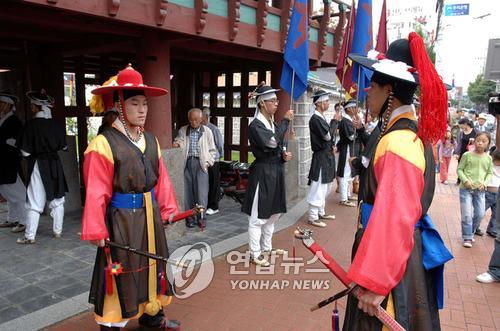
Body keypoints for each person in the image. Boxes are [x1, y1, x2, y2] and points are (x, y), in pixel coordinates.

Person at [343, 33, 453, 330]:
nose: (367, 90)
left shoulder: (400, 142)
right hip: (395, 255)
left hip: (391, 266)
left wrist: (377, 281)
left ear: (389, 91)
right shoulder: (407, 133)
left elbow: (394, 217)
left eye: (373, 85)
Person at [82, 65, 181, 331]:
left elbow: (161, 180)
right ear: (118, 106)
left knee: (153, 262)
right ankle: (113, 324)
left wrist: (168, 208)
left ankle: (153, 316)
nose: (142, 110)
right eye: (135, 103)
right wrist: (96, 228)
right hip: (122, 221)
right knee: (123, 269)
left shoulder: (150, 139)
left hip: (149, 215)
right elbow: (95, 191)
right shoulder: (102, 144)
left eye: (145, 104)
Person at [241, 84, 293, 267]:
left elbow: (277, 146)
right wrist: (286, 121)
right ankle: (255, 253)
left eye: (277, 100)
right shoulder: (255, 125)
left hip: (275, 170)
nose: (277, 104)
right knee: (258, 216)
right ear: (262, 103)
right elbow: (271, 143)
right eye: (273, 101)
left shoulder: (271, 122)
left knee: (273, 213)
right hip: (263, 173)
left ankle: (267, 247)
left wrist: (283, 155)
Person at [16, 89, 68, 244]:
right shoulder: (56, 124)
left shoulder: (31, 125)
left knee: (34, 200)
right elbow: (64, 147)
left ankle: (30, 236)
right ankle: (57, 232)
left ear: (38, 107)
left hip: (38, 164)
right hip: (55, 163)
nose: (31, 108)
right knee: (58, 199)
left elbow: (25, 152)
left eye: (33, 106)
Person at [173, 108, 216, 228]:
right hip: (187, 163)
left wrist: (208, 162)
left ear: (201, 119)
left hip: (201, 164)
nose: (193, 122)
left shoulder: (207, 131)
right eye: (191, 119)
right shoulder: (184, 130)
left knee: (201, 193)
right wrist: (177, 143)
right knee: (188, 193)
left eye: (196, 119)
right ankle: (189, 218)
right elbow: (179, 141)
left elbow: (213, 150)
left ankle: (201, 218)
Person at [306, 90, 341, 227]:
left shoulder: (321, 117)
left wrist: (332, 145)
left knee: (326, 185)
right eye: (326, 101)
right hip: (320, 156)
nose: (328, 103)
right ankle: (313, 216)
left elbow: (329, 139)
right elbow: (327, 135)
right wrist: (334, 121)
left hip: (326, 155)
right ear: (319, 103)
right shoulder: (315, 119)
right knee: (319, 186)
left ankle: (321, 211)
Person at [457, 132, 493, 247]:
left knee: (480, 213)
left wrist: (485, 183)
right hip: (465, 190)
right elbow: (460, 169)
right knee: (466, 214)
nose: (480, 143)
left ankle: (471, 231)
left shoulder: (488, 158)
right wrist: (465, 180)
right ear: (474, 141)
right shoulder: (467, 155)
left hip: (480, 191)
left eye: (483, 141)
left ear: (488, 144)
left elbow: (489, 173)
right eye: (478, 140)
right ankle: (467, 237)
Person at [0, 91, 26, 233]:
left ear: (9, 106)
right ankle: (13, 218)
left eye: (2, 104)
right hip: (2, 161)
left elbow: (18, 141)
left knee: (17, 192)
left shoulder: (14, 121)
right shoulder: (2, 119)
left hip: (9, 161)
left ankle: (24, 221)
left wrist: (6, 142)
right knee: (7, 191)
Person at [336, 100, 362, 207]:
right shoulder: (345, 122)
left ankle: (347, 194)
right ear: (349, 109)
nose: (356, 109)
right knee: (345, 174)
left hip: (351, 149)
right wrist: (359, 133)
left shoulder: (349, 120)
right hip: (346, 149)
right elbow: (350, 137)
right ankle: (343, 198)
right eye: (354, 107)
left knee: (349, 174)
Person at [201, 107, 224, 216]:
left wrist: (218, 157)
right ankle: (206, 204)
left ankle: (214, 206)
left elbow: (220, 145)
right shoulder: (200, 128)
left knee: (214, 183)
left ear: (206, 117)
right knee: (206, 183)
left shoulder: (213, 129)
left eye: (201, 117)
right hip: (203, 160)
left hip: (214, 160)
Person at [479, 149, 500, 238]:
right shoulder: (489, 165)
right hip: (488, 192)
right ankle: (475, 226)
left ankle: (493, 229)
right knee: (481, 211)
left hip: (497, 193)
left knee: (496, 213)